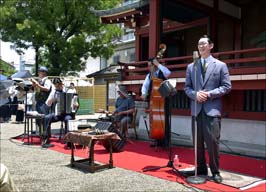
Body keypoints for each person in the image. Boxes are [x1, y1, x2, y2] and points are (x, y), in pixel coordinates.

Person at [184, 35, 232, 183]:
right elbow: (187, 88)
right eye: (199, 44)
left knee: (213, 142)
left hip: (212, 110)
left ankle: (215, 171)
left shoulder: (220, 65)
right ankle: (200, 167)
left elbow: (227, 86)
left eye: (204, 44)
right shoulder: (192, 67)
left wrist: (209, 94)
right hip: (196, 109)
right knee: (197, 142)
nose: (201, 47)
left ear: (211, 46)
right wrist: (195, 94)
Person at [141, 57, 171, 148]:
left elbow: (168, 73)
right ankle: (157, 140)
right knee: (155, 121)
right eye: (148, 66)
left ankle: (166, 142)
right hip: (153, 100)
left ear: (155, 65)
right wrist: (143, 93)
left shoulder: (162, 71)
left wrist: (158, 64)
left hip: (163, 100)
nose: (149, 68)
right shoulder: (149, 75)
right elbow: (145, 85)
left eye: (150, 66)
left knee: (164, 121)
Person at [42, 78, 79, 148]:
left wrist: (76, 104)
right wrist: (52, 100)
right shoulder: (54, 92)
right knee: (47, 117)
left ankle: (69, 141)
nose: (57, 87)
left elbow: (76, 103)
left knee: (68, 119)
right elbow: (47, 104)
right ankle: (46, 139)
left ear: (62, 84)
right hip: (58, 114)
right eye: (56, 86)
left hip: (68, 114)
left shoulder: (70, 91)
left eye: (58, 85)